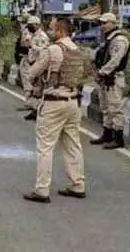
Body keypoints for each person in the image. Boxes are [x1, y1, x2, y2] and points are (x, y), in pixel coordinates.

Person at [23, 18, 86, 203]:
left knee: (45, 147)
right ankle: (77, 184)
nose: (50, 32)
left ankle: (42, 190)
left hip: (53, 102)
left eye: (52, 28)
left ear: (60, 31)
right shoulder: (76, 50)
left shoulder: (52, 50)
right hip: (73, 101)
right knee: (73, 145)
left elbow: (32, 72)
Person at [91, 13, 130, 150]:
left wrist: (102, 71)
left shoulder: (119, 39)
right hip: (105, 78)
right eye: (101, 23)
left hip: (114, 77)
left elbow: (115, 60)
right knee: (105, 107)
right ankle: (107, 134)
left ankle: (118, 138)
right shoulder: (108, 39)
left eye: (105, 23)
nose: (102, 26)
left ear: (113, 23)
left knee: (114, 108)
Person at [22, 16, 50, 121]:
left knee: (38, 89)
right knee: (34, 89)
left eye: (31, 25)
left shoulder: (42, 36)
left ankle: (38, 111)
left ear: (37, 25)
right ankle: (35, 110)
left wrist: (32, 45)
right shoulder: (32, 35)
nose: (29, 27)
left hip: (39, 64)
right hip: (32, 63)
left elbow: (44, 51)